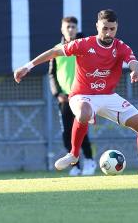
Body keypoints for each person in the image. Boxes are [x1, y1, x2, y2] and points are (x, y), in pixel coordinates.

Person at [14, 9, 138, 176]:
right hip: (81, 96)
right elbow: (54, 52)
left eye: (112, 29)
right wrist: (27, 67)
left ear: (117, 28)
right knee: (84, 112)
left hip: (108, 96)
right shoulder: (84, 44)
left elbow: (133, 61)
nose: (108, 33)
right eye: (104, 28)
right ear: (97, 26)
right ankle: (74, 154)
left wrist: (136, 71)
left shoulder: (120, 46)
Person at [48, 16, 95, 176]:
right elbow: (52, 74)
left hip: (82, 97)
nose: (70, 30)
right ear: (62, 29)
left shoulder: (85, 46)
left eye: (73, 27)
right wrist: (57, 93)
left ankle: (89, 161)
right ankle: (75, 165)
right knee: (67, 133)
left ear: (77, 29)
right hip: (64, 98)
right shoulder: (56, 49)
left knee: (82, 130)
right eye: (67, 27)